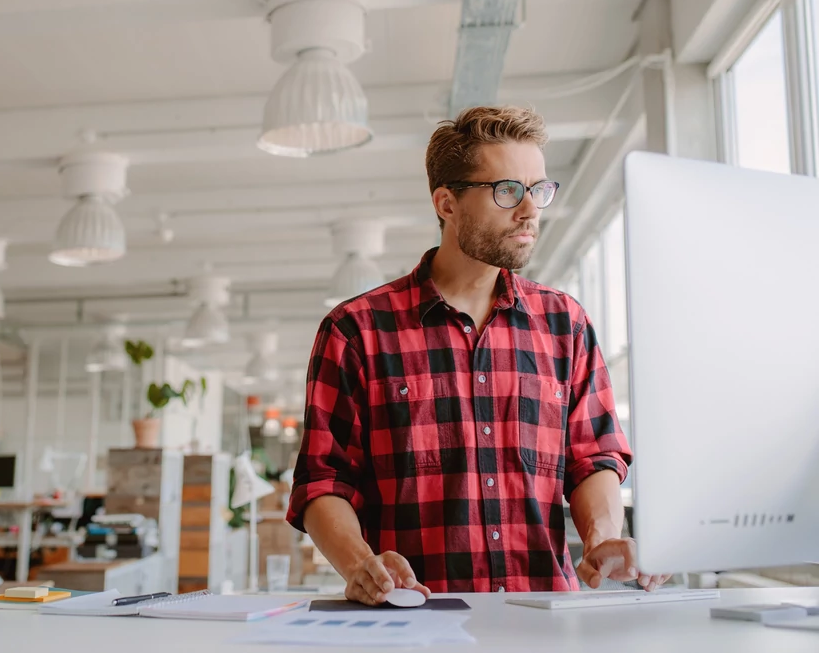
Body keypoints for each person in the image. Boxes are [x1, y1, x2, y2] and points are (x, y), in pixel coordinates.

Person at [286, 105, 669, 604]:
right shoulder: (356, 330)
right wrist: (362, 565)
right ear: (447, 202)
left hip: (543, 621)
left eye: (539, 190)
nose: (530, 210)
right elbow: (324, 479)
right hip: (414, 621)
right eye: (507, 191)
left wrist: (601, 539)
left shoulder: (565, 324)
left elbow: (593, 456)